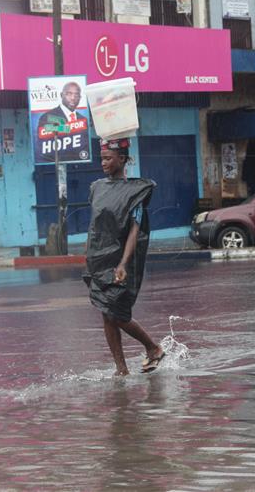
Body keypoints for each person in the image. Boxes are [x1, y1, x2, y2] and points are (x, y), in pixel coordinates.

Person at [83, 138, 164, 376]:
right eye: (102, 159)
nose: (104, 163)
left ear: (122, 159)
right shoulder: (97, 188)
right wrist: (88, 254)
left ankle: (153, 347)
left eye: (108, 159)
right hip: (98, 260)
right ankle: (121, 369)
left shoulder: (135, 192)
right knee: (105, 313)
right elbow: (94, 225)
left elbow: (134, 230)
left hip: (120, 261)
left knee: (116, 313)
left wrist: (123, 263)